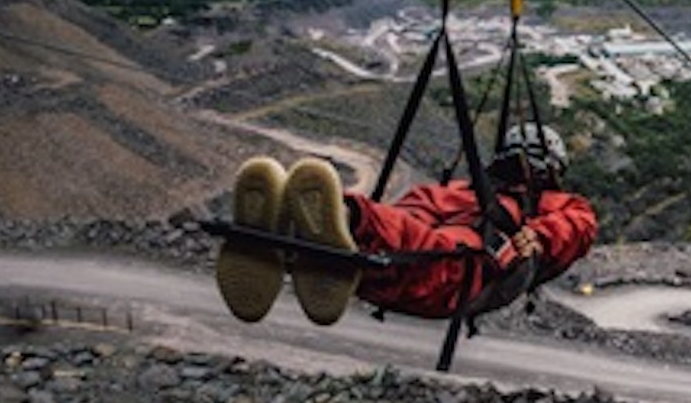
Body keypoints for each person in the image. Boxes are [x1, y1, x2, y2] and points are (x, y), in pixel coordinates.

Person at [214, 123, 598, 326]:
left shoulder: (549, 207)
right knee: (412, 222)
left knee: (435, 243)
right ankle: (307, 232)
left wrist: (540, 237)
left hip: (473, 269)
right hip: (417, 258)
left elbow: (578, 226)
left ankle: (339, 219)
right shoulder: (462, 192)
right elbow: (412, 211)